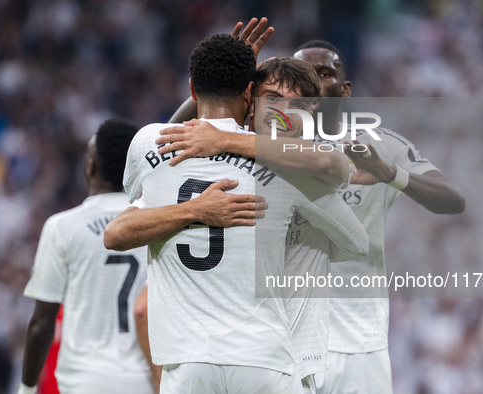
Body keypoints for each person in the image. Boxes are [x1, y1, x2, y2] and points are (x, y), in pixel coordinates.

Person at [162, 39, 466, 393]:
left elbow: (453, 199)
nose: (315, 79)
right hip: (279, 338)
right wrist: (224, 78)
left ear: (344, 90)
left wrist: (390, 174)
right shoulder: (250, 138)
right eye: (304, 72)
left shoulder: (376, 144)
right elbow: (170, 142)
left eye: (325, 73)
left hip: (356, 342)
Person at [104, 34, 368, 393]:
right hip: (268, 358)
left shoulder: (155, 143)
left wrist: (221, 140)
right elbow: (355, 240)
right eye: (272, 98)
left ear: (193, 90)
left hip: (187, 363)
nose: (281, 111)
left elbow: (154, 171)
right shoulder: (292, 170)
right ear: (250, 95)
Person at [18, 119, 155, 394]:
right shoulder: (157, 224)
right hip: (144, 380)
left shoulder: (62, 227)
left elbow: (41, 324)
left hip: (83, 381)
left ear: (91, 165)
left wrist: (27, 388)